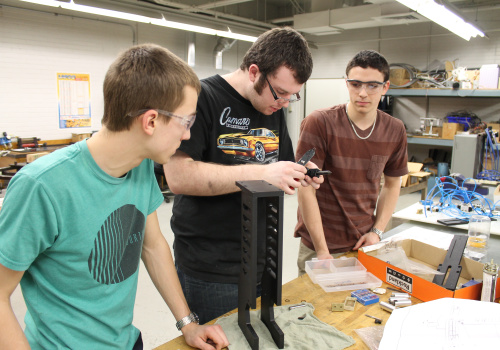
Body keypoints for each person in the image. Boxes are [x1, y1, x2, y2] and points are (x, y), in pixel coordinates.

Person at [0, 44, 228, 350]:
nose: (187, 135)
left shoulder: (141, 164)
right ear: (150, 121)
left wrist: (188, 323)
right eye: (186, 122)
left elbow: (152, 244)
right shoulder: (41, 186)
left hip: (127, 342)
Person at [164, 27, 322, 324]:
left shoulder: (273, 105)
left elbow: (280, 162)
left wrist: (302, 170)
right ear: (254, 72)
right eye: (282, 93)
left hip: (264, 261)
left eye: (293, 96)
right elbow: (179, 177)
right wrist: (262, 171)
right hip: (212, 268)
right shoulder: (200, 97)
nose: (285, 102)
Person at [294, 50, 409, 275]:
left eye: (372, 86)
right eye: (355, 84)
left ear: (385, 87)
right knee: (313, 308)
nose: (363, 93)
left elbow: (392, 185)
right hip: (320, 246)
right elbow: (306, 189)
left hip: (363, 244)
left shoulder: (395, 130)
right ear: (346, 84)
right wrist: (322, 251)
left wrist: (377, 231)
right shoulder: (320, 122)